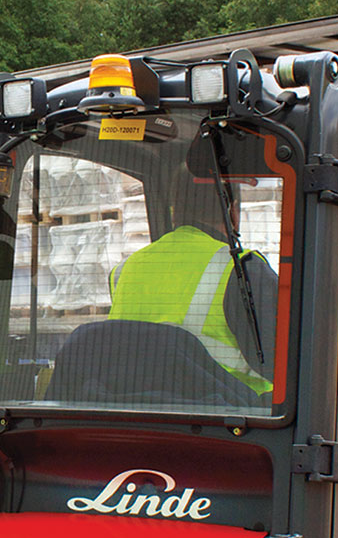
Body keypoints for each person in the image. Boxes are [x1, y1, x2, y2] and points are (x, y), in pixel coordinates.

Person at [106, 142, 277, 398]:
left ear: (174, 210)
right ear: (233, 212)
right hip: (230, 414)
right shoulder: (241, 269)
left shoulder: (124, 270)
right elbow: (284, 363)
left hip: (135, 411)